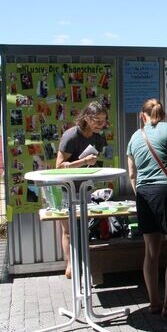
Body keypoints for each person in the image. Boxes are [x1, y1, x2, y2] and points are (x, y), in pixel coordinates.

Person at [126, 98, 167, 319]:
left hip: (143, 194)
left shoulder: (135, 136)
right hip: (165, 191)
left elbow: (132, 174)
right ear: (162, 113)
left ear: (143, 115)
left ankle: (154, 302)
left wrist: (141, 192)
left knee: (151, 252)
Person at [55, 101, 109, 279]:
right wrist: (84, 161)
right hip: (67, 189)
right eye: (97, 121)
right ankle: (70, 263)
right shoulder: (71, 135)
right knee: (69, 230)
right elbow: (59, 167)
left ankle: (84, 263)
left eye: (103, 121)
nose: (101, 125)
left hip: (86, 187)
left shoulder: (98, 137)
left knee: (85, 228)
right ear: (86, 118)